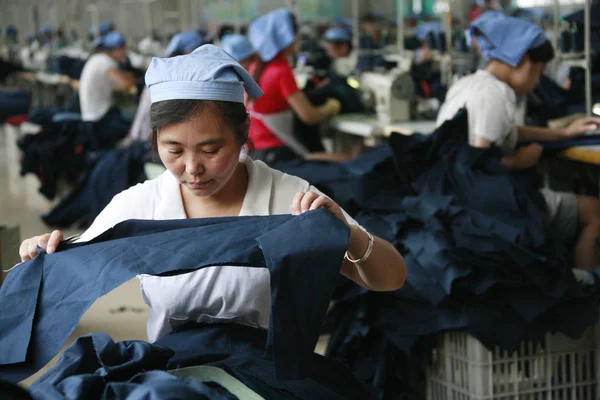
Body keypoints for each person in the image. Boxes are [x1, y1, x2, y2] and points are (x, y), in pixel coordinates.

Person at [19, 45, 406, 348]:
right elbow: (66, 270)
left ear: (243, 133)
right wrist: (42, 253)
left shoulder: (289, 199)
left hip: (266, 379)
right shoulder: (141, 206)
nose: (192, 168)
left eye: (210, 149)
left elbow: (391, 279)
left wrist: (347, 233)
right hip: (174, 377)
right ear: (155, 141)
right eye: (173, 150)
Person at [436, 15, 600, 271]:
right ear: (522, 60)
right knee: (595, 211)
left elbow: (510, 131)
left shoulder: (467, 84)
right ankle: (583, 288)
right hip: (490, 210)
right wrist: (519, 161)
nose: (537, 81)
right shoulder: (495, 94)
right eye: (539, 71)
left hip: (456, 203)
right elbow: (476, 166)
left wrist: (563, 134)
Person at [247, 8, 342, 164]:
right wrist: (330, 108)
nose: (298, 40)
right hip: (277, 154)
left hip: (256, 152)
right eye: (296, 35)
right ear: (287, 37)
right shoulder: (280, 70)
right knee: (347, 160)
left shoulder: (256, 68)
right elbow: (309, 116)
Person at [129, 31, 204, 143]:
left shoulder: (167, 69)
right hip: (150, 141)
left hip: (144, 135)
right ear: (189, 52)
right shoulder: (177, 77)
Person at [79, 31, 136, 125]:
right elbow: (124, 83)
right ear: (115, 50)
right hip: (99, 118)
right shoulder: (105, 62)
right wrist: (137, 80)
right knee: (135, 116)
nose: (124, 53)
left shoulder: (98, 59)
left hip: (92, 116)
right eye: (122, 49)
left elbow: (120, 75)